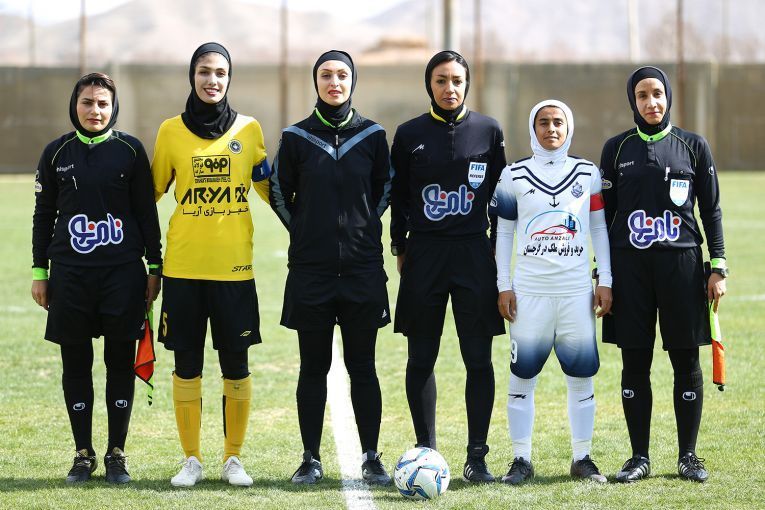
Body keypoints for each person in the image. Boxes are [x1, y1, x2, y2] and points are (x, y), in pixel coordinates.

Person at [31, 72, 162, 484]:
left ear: (113, 107)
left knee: (119, 364)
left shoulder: (130, 150)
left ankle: (116, 454)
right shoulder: (56, 153)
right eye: (87, 102)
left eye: (103, 103)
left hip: (123, 276)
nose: (95, 110)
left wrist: (154, 267)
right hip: (70, 277)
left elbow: (146, 213)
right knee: (76, 365)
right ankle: (83, 454)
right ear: (75, 106)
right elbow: (43, 217)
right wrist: (40, 272)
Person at [269, 50, 392, 486]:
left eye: (342, 75)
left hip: (362, 270)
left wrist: (364, 225)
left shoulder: (373, 135)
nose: (334, 82)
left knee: (363, 367)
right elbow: (279, 191)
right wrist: (305, 230)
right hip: (312, 272)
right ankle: (310, 458)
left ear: (352, 81)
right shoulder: (296, 136)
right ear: (315, 82)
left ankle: (372, 457)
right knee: (312, 367)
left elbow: (385, 187)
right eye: (326, 75)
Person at [152, 42, 271, 488]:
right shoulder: (170, 131)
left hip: (234, 270)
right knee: (187, 365)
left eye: (220, 72)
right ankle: (192, 460)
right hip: (183, 269)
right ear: (192, 76)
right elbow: (149, 194)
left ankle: (233, 458)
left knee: (236, 365)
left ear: (229, 78)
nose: (212, 80)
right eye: (204, 71)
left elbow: (271, 190)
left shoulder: (249, 129)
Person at [600, 66, 727, 483]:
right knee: (634, 360)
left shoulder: (693, 145)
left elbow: (711, 210)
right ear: (632, 101)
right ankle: (639, 457)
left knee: (685, 359)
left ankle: (688, 456)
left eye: (657, 93)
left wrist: (718, 265)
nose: (651, 102)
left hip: (682, 267)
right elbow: (605, 217)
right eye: (642, 95)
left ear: (668, 96)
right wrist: (604, 275)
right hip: (630, 269)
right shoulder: (616, 149)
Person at [390, 50, 506, 483]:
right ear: (429, 84)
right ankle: (427, 452)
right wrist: (400, 245)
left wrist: (495, 246)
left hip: (474, 253)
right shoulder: (409, 134)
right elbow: (399, 196)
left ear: (466, 84)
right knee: (421, 357)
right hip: (425, 254)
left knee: (478, 358)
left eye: (456, 80)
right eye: (441, 80)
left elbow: (501, 195)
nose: (449, 88)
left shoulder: (489, 131)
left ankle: (477, 457)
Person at [491, 99, 612, 485]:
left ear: (569, 127)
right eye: (543, 122)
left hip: (576, 293)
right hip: (529, 294)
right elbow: (504, 232)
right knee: (522, 377)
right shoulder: (513, 175)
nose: (551, 129)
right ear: (533, 128)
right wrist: (504, 285)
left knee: (581, 377)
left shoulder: (587, 173)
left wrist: (605, 279)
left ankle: (582, 457)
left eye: (558, 122)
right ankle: (521, 460)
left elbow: (598, 228)